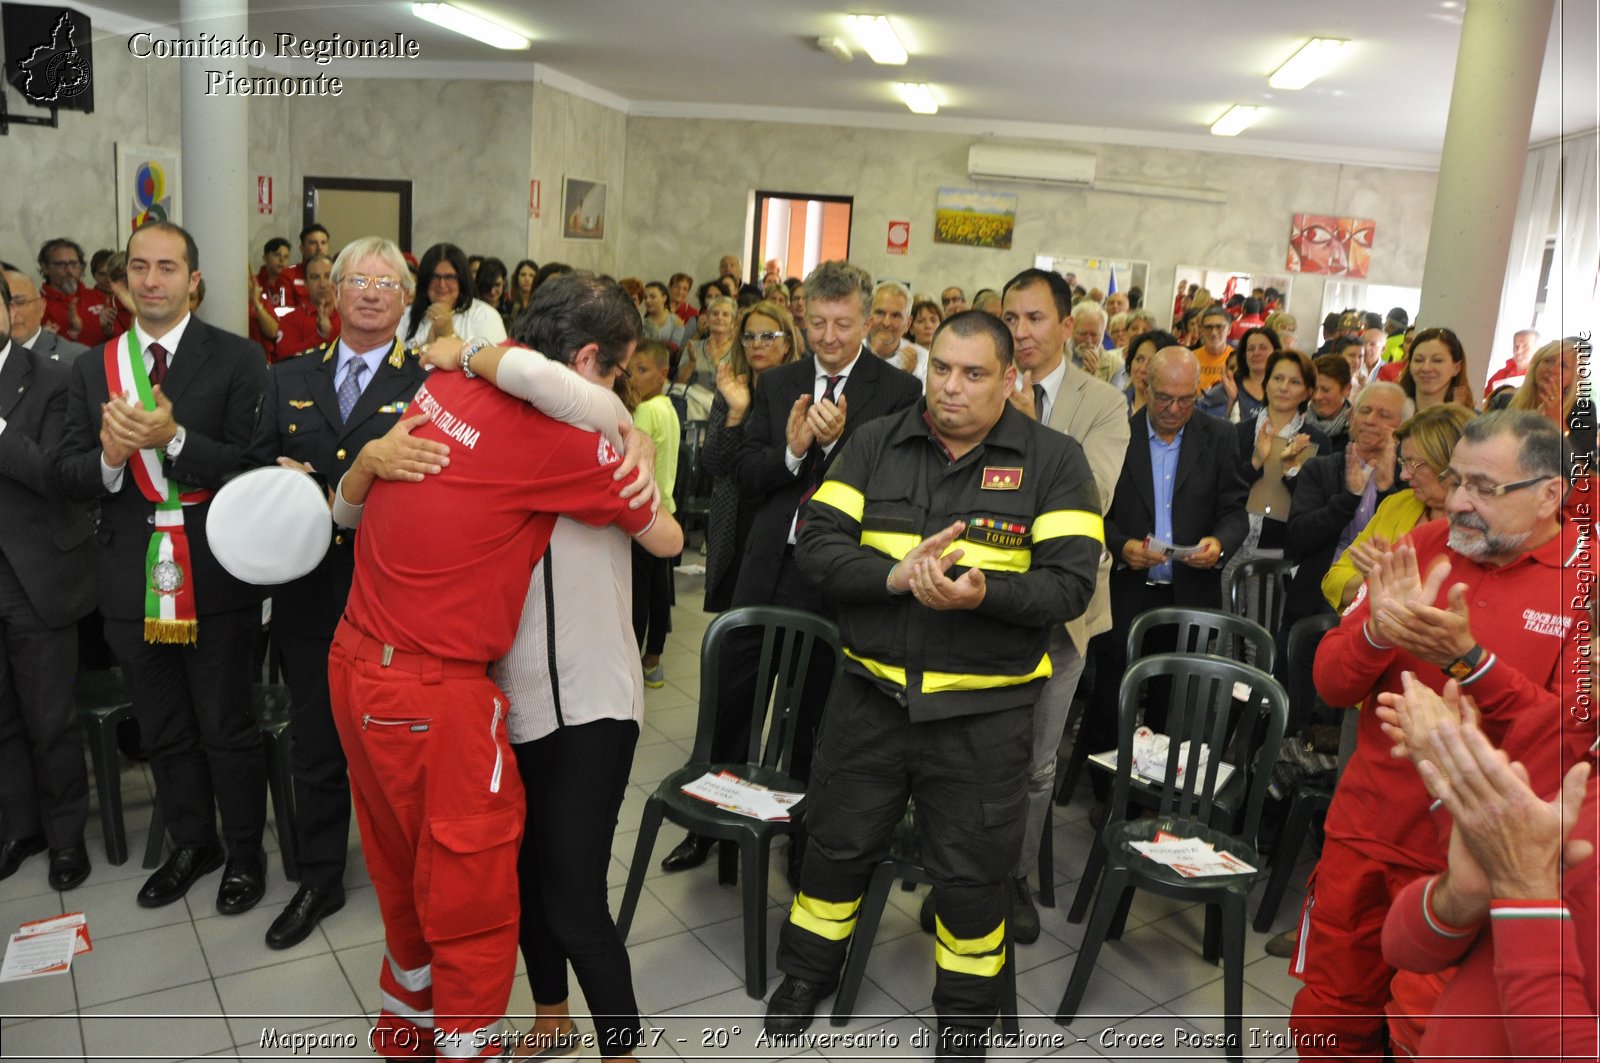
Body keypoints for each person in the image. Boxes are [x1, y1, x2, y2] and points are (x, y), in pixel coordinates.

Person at [327, 272, 678, 1060]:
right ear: (587, 359)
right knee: (511, 873)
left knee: (573, 891)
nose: (618, 386)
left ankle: (620, 1048)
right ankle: (549, 1018)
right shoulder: (474, 392)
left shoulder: (571, 433)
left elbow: (669, 539)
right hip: (502, 690)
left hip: (590, 698)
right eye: (616, 370)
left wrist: (632, 444)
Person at [765, 310, 1103, 1057]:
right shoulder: (875, 442)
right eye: (941, 369)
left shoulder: (1056, 461)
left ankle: (964, 1017)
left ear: (1009, 379)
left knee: (973, 874)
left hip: (984, 719)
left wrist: (985, 595)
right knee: (835, 847)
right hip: (870, 699)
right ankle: (805, 972)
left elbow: (1069, 585)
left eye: (974, 373)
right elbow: (817, 545)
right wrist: (892, 575)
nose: (952, 387)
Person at [1291, 409, 1589, 1060]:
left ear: (1549, 493)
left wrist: (1470, 661)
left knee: (1430, 1037)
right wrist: (1376, 633)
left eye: (1484, 487)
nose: (1457, 501)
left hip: (1478, 866)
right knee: (1327, 1016)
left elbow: (1573, 742)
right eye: (1455, 479)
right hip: (1365, 831)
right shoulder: (1424, 547)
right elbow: (1332, 685)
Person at [659, 262, 921, 877]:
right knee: (733, 703)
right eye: (819, 323)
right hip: (767, 569)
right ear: (803, 317)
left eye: (844, 324)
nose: (831, 338)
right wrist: (794, 450)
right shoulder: (779, 385)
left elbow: (894, 491)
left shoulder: (898, 393)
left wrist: (835, 449)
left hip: (838, 584)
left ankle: (802, 837)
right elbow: (745, 475)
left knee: (815, 719)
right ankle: (710, 829)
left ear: (866, 319)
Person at [55, 221, 270, 913]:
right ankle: (192, 842)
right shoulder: (93, 367)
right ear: (122, 282)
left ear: (193, 280)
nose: (152, 280)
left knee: (225, 724)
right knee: (163, 727)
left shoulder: (238, 359)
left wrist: (172, 437)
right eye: (140, 268)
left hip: (217, 574)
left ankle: (243, 852)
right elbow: (66, 472)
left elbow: (251, 464)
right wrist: (111, 460)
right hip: (128, 580)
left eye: (168, 268)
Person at [240, 236, 432, 950]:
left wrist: (340, 490)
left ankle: (412, 880)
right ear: (335, 294)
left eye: (387, 282)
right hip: (309, 591)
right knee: (316, 745)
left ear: (406, 300)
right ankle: (319, 877)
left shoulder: (429, 384)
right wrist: (288, 485)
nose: (372, 292)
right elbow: (255, 470)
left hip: (394, 596)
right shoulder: (287, 375)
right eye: (358, 279)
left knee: (396, 751)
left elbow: (439, 486)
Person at [995, 268, 1128, 943]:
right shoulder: (979, 382)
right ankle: (963, 868)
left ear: (1066, 327)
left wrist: (1027, 439)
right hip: (985, 600)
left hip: (1065, 610)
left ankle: (1014, 875)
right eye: (1011, 318)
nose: (1020, 333)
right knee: (973, 746)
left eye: (1035, 319)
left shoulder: (1102, 402)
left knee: (1038, 760)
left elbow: (1093, 495)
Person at [1376, 671, 1597, 1061]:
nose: (1593, 648)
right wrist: (1462, 893)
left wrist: (1523, 887)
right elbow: (1402, 947)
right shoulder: (1565, 723)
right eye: (1596, 623)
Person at [1082, 346, 1250, 807]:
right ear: (1145, 386)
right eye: (1163, 399)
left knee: (1174, 698)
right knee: (1114, 693)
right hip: (1128, 589)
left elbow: (1234, 512)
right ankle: (1109, 798)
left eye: (1185, 399)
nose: (1174, 410)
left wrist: (1219, 543)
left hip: (1188, 591)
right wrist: (1121, 546)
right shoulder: (1120, 435)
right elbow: (1096, 512)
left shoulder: (1217, 437)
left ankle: (1155, 795)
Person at [0, 270, 95, 890]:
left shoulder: (54, 378)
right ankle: (19, 826)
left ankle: (66, 838)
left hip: (33, 573)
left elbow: (55, 474)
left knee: (48, 716)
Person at [1322, 404, 1474, 610]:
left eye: (1414, 464)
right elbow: (1334, 580)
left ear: (1449, 463)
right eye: (1404, 462)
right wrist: (1378, 585)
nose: (1403, 475)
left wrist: (1385, 584)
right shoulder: (1396, 505)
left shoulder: (1478, 525)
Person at [1282, 382, 1409, 628]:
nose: (1371, 420)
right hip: (1316, 595)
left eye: (1383, 415)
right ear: (1351, 417)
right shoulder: (1320, 468)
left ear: (1401, 428)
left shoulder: (1407, 479)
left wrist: (1385, 491)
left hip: (1381, 602)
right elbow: (1300, 537)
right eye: (1365, 411)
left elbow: (1402, 546)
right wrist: (1348, 498)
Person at [702, 301, 801, 614]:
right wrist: (736, 412)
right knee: (733, 624)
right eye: (749, 336)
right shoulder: (732, 390)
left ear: (786, 345)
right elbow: (714, 463)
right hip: (734, 520)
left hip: (779, 520)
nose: (758, 344)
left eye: (768, 336)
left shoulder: (801, 395)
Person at [628, 340, 679, 688]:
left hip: (646, 513)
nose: (633, 377)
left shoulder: (645, 412)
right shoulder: (669, 407)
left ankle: (631, 660)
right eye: (630, 369)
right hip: (666, 509)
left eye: (642, 370)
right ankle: (654, 659)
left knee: (639, 593)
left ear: (663, 375)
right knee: (660, 591)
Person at [401, 242, 507, 350]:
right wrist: (424, 347)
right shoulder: (404, 316)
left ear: (462, 280)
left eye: (449, 277)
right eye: (435, 277)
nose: (441, 284)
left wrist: (449, 334)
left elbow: (492, 363)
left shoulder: (485, 316)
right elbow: (392, 362)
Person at [38, 238, 115, 348]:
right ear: (45, 268)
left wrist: (107, 329)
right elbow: (39, 353)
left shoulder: (98, 296)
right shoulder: (36, 305)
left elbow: (119, 345)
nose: (69, 270)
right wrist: (72, 332)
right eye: (61, 264)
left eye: (74, 264)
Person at [4, 268, 88, 364]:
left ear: (41, 307)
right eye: (2, 304)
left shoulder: (77, 358)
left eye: (20, 302)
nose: (11, 312)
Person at [271, 254, 341, 361]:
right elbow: (286, 360)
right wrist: (320, 336)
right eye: (315, 277)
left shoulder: (350, 316)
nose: (322, 284)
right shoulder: (290, 320)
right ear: (305, 284)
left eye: (328, 276)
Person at [1401, 326, 1474, 411]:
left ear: (1457, 368)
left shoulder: (1470, 422)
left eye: (1437, 360)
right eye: (1418, 360)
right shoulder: (1392, 412)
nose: (1426, 368)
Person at [674, 293, 734, 391]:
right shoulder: (693, 347)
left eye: (725, 314)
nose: (719, 317)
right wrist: (691, 363)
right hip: (691, 401)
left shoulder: (738, 352)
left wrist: (716, 362)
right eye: (715, 314)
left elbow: (736, 389)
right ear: (708, 319)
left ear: (732, 323)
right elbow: (679, 383)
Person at [1305, 353, 1354, 451]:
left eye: (1325, 390)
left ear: (1347, 389)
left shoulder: (1356, 432)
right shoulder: (1296, 423)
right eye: (1314, 389)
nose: (1317, 396)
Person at [1122, 329, 1176, 414]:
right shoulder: (1115, 404)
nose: (1143, 369)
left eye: (1153, 362)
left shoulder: (1175, 413)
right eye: (1139, 359)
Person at [277, 223, 330, 309]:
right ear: (302, 248)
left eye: (323, 243)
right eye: (313, 243)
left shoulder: (338, 274)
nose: (319, 247)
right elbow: (284, 312)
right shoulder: (288, 276)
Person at [1482, 327, 1541, 399]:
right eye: (1516, 346)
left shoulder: (1539, 378)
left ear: (1538, 349)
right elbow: (1484, 398)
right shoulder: (1500, 374)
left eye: (1525, 346)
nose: (1518, 351)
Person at [638, 280, 685, 352]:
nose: (647, 300)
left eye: (652, 297)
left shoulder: (676, 321)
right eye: (645, 297)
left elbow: (675, 350)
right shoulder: (641, 321)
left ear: (664, 298)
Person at [505, 258, 538, 326]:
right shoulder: (508, 300)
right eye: (523, 275)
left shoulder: (541, 302)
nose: (527, 279)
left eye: (531, 275)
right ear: (517, 277)